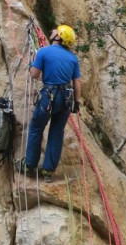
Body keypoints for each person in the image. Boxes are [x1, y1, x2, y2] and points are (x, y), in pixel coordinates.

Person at [22, 24, 82, 177]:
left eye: (56, 30)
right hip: (66, 99)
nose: (53, 30)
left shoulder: (44, 52)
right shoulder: (73, 58)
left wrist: (32, 64)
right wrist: (77, 102)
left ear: (59, 36)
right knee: (56, 131)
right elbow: (77, 82)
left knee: (36, 127)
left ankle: (29, 166)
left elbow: (34, 75)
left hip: (49, 96)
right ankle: (48, 170)